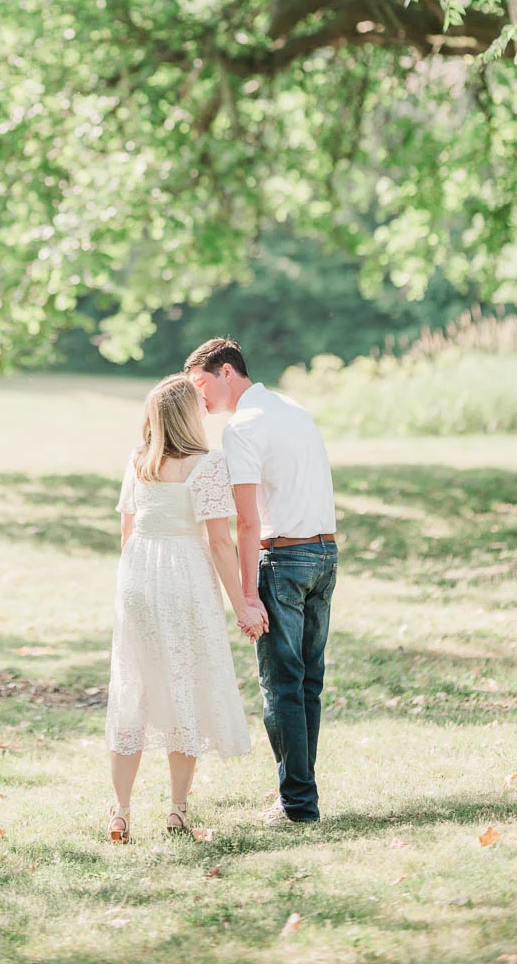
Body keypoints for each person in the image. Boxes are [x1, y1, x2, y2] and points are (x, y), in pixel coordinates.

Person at [105, 373, 263, 843]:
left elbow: (127, 534)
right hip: (185, 577)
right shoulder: (208, 466)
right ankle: (176, 809)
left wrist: (131, 585)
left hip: (138, 578)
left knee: (133, 687)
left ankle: (121, 810)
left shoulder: (138, 461)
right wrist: (243, 605)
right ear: (188, 416)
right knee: (184, 685)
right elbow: (219, 543)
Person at [185, 337, 337, 827]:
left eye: (202, 384)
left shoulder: (242, 428)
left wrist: (247, 595)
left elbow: (246, 522)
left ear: (227, 372)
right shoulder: (295, 410)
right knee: (307, 683)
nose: (200, 398)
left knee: (282, 688)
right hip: (324, 553)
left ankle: (297, 806)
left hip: (284, 561)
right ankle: (302, 796)